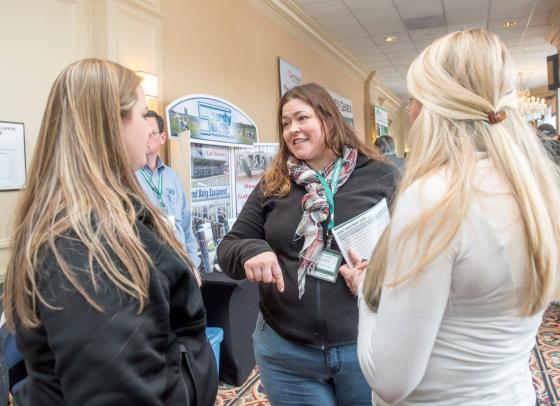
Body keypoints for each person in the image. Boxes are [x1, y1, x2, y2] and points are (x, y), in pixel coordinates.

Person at [344, 29, 560, 405]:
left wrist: (364, 292)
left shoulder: (435, 198)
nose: (410, 111)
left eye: (415, 99)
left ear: (432, 107)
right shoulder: (538, 189)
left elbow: (389, 379)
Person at [2, 59, 218, 405]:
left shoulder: (91, 223)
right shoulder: (89, 247)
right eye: (143, 115)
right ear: (112, 122)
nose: (150, 131)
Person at [217, 83, 399, 405]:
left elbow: (414, 249)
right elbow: (230, 246)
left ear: (329, 119)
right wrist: (252, 249)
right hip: (287, 354)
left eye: (302, 118)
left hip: (363, 345)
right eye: (286, 123)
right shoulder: (274, 183)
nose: (293, 130)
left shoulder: (380, 175)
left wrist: (381, 270)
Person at [136, 110, 201, 270]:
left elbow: (186, 225)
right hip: (151, 267)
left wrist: (193, 265)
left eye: (151, 134)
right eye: (142, 133)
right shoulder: (130, 175)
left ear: (162, 137)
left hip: (180, 264)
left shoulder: (172, 177)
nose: (145, 139)